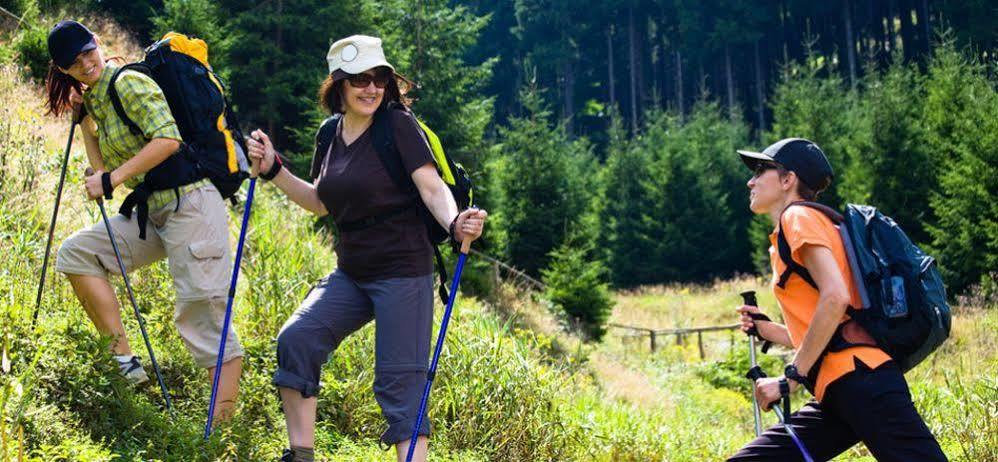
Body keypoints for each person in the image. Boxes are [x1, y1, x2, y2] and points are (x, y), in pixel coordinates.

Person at [246, 35, 487, 462]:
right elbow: (321, 201)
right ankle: (300, 455)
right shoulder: (329, 134)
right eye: (359, 79)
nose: (370, 88)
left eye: (379, 78)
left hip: (403, 271)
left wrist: (453, 222)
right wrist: (274, 169)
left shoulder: (397, 125)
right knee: (297, 340)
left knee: (399, 383)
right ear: (338, 83)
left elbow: (431, 188)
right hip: (353, 273)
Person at [45, 20, 243, 421]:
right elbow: (102, 174)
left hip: (191, 205)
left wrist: (112, 178)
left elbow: (167, 140)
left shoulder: (127, 83)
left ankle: (220, 432)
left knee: (201, 312)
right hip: (153, 211)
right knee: (77, 254)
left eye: (88, 52)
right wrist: (86, 126)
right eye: (74, 61)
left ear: (97, 44)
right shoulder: (97, 100)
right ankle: (125, 363)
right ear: (63, 69)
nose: (86, 63)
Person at [727, 138, 947, 461]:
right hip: (839, 391)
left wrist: (789, 380)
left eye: (761, 170)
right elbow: (825, 326)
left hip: (861, 381)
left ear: (788, 180)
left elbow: (836, 298)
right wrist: (766, 329)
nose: (751, 180)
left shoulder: (797, 217)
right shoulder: (813, 223)